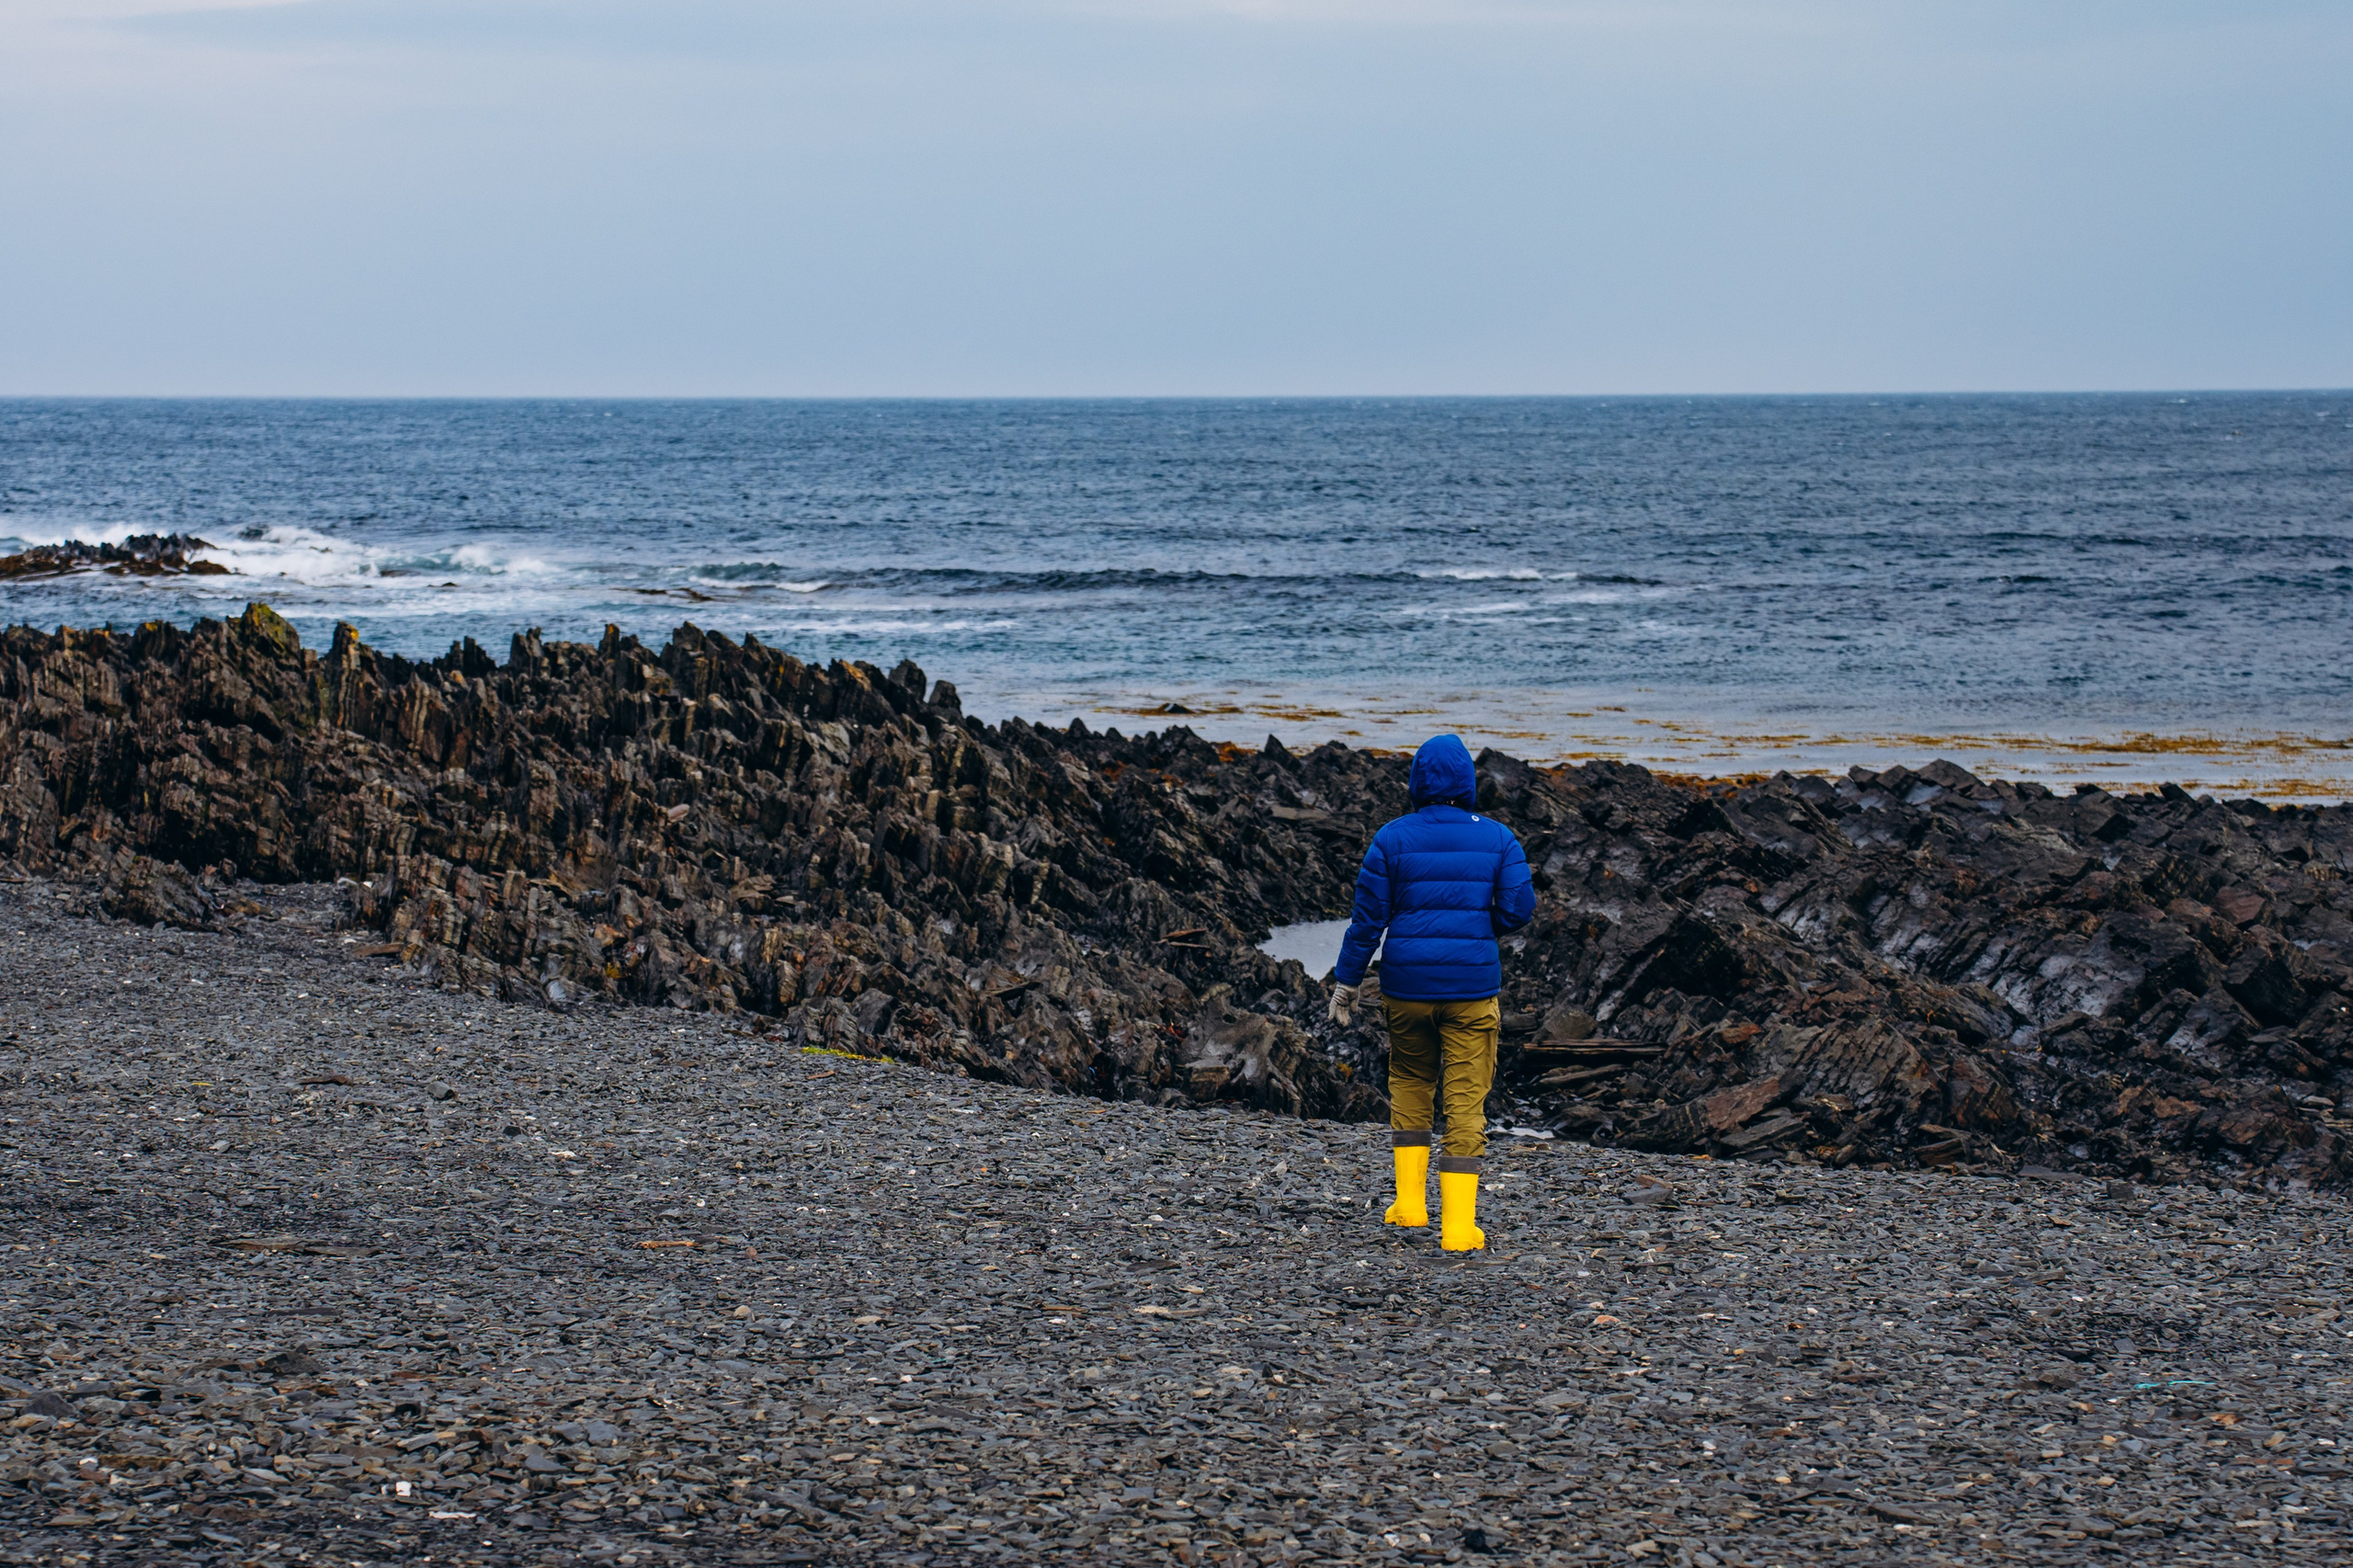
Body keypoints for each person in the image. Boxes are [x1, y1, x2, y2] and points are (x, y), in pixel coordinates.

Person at [1326, 734, 1536, 1251]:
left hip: (1407, 988)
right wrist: (1476, 920)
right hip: (1471, 989)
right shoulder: (1500, 838)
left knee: (1411, 1085)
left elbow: (1366, 922)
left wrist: (1347, 982)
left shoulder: (1391, 839)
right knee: (1465, 1103)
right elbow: (1518, 910)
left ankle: (1411, 1206)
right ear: (1468, 783)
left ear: (1417, 781)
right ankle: (1460, 1228)